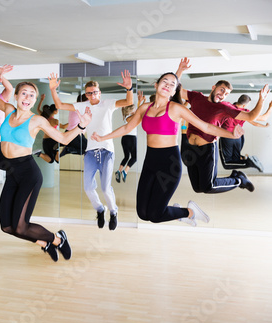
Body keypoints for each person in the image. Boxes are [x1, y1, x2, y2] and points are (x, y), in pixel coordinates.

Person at [91, 72, 244, 226]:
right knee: (143, 213)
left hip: (169, 164)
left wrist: (231, 134)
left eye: (172, 84)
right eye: (165, 81)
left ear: (173, 91)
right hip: (150, 162)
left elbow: (205, 126)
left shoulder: (177, 109)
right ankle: (178, 212)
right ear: (156, 85)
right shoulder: (145, 108)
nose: (168, 85)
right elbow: (126, 127)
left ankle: (189, 212)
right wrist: (103, 138)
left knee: (155, 214)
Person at [0, 65, 91, 262]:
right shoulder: (9, 110)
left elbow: (63, 139)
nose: (27, 98)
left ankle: (58, 239)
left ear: (35, 100)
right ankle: (45, 244)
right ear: (16, 96)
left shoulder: (37, 120)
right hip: (11, 172)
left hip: (28, 173)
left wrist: (82, 125)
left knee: (20, 226)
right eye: (24, 94)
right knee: (7, 227)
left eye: (31, 96)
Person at [49, 71, 134, 231]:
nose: (93, 95)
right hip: (90, 153)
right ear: (86, 95)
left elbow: (128, 101)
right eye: (89, 93)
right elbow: (60, 105)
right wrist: (53, 90)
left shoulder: (108, 104)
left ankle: (113, 212)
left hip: (107, 151)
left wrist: (129, 88)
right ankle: (101, 210)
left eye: (95, 92)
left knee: (105, 188)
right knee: (88, 188)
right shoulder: (82, 106)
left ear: (99, 93)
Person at [176, 57, 269, 193]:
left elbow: (250, 116)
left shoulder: (225, 108)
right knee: (197, 188)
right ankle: (237, 177)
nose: (222, 95)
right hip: (191, 149)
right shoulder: (196, 97)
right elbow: (176, 90)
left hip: (207, 149)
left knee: (209, 187)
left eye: (226, 94)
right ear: (214, 87)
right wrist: (180, 70)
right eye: (221, 90)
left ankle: (239, 179)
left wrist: (261, 100)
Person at [219, 94, 271, 172]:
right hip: (238, 138)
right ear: (244, 105)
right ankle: (246, 164)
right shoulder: (245, 113)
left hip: (227, 137)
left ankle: (250, 162)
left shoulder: (228, 108)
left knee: (227, 163)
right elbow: (257, 122)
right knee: (236, 159)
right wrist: (270, 107)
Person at [115, 90, 144, 183]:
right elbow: (139, 113)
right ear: (131, 110)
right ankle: (125, 172)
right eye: (134, 109)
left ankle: (119, 171)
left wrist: (139, 102)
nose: (136, 110)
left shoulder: (126, 116)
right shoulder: (130, 117)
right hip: (131, 138)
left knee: (126, 157)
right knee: (134, 157)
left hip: (124, 139)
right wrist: (140, 102)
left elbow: (138, 113)